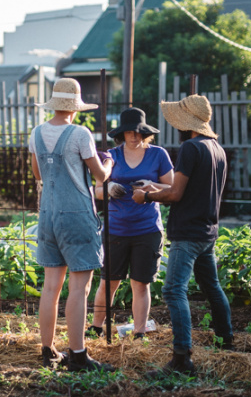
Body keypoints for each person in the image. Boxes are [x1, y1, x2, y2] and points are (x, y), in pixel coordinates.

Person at [132, 94, 233, 376]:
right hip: (207, 231)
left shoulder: (190, 147)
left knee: (173, 290)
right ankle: (226, 340)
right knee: (212, 287)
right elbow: (189, 189)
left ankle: (181, 358)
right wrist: (154, 187)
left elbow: (176, 194)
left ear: (186, 123)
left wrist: (146, 197)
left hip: (187, 232)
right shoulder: (217, 148)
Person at [29, 78, 115, 372]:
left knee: (50, 287)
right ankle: (78, 355)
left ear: (54, 104)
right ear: (76, 108)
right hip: (77, 215)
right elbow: (100, 176)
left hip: (48, 215)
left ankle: (48, 351)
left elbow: (38, 174)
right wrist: (109, 163)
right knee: (79, 287)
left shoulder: (37, 132)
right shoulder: (80, 134)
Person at [90, 108, 173, 339]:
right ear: (122, 134)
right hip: (116, 229)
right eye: (129, 132)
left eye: (138, 132)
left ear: (145, 133)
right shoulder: (111, 156)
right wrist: (108, 188)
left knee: (140, 283)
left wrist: (151, 186)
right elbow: (96, 190)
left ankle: (139, 333)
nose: (134, 136)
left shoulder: (158, 155)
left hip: (147, 229)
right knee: (109, 282)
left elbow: (172, 188)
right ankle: (96, 327)